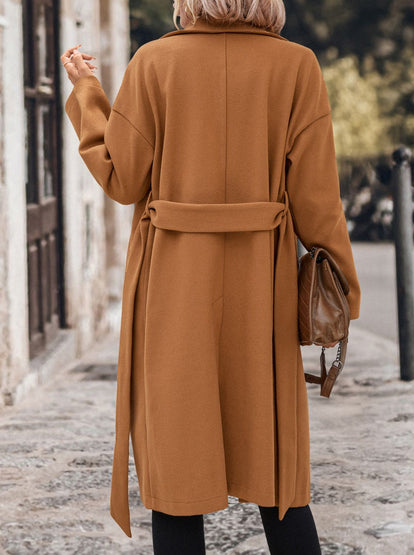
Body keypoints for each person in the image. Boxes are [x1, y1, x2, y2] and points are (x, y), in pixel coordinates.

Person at [61, 1, 361, 553]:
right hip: (261, 288)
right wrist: (343, 291)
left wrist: (87, 94)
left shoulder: (153, 63)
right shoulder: (297, 66)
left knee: (177, 473)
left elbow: (124, 179)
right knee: (276, 468)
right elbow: (319, 200)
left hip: (172, 281)